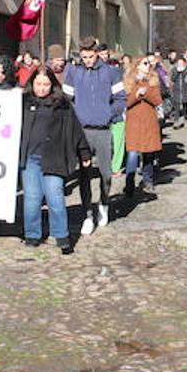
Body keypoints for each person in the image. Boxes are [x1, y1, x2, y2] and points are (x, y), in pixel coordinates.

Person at [19, 68, 91, 254]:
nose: (42, 88)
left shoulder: (62, 105)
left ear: (52, 85)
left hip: (54, 156)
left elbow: (75, 130)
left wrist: (84, 152)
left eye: (46, 84)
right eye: (38, 84)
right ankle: (32, 235)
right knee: (32, 199)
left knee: (55, 196)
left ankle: (62, 237)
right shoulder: (23, 102)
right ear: (32, 84)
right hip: (30, 158)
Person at [64, 36, 124, 235]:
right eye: (84, 57)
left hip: (103, 130)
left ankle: (104, 204)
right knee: (84, 175)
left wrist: (108, 114)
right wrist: (75, 117)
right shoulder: (73, 72)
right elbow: (67, 99)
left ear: (97, 53)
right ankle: (88, 215)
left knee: (106, 175)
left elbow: (120, 99)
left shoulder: (111, 72)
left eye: (90, 56)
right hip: (82, 132)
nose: (87, 60)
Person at [123, 55, 163, 197]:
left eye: (149, 63)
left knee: (148, 153)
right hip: (133, 122)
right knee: (133, 153)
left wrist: (146, 94)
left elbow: (158, 100)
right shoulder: (129, 81)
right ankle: (129, 183)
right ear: (137, 65)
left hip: (149, 121)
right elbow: (125, 102)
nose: (148, 66)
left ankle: (148, 180)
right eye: (145, 63)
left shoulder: (153, 81)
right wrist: (136, 94)